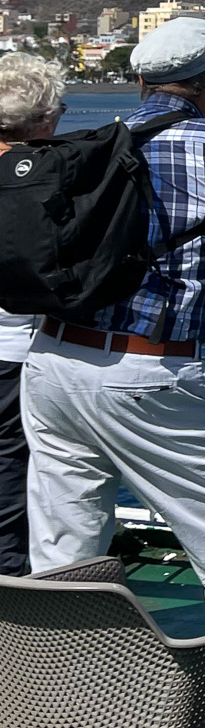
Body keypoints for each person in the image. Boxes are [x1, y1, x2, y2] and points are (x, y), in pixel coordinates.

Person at [22, 16, 205, 627]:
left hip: (51, 362)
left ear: (141, 84)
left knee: (64, 552)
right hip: (145, 370)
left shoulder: (99, 140)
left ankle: (57, 679)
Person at [0, 53, 66, 576]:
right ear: (43, 121)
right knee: (17, 460)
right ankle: (13, 574)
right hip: (17, 345)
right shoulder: (43, 178)